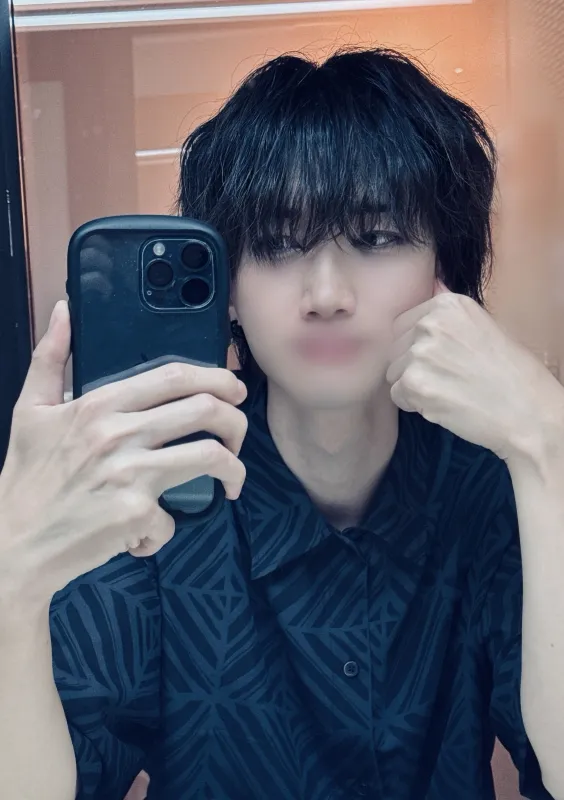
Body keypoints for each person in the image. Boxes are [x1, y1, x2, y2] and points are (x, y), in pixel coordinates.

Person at [1, 48, 563, 800]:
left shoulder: (491, 484)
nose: (326, 294)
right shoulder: (161, 497)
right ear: (228, 287)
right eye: (276, 243)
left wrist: (549, 444)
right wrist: (11, 581)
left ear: (446, 269)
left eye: (375, 237)